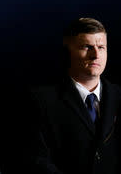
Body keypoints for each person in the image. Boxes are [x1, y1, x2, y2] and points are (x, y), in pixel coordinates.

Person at [27, 17, 121, 174]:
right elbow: (37, 159)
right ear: (67, 52)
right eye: (87, 47)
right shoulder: (42, 100)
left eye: (101, 47)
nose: (96, 55)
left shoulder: (118, 96)